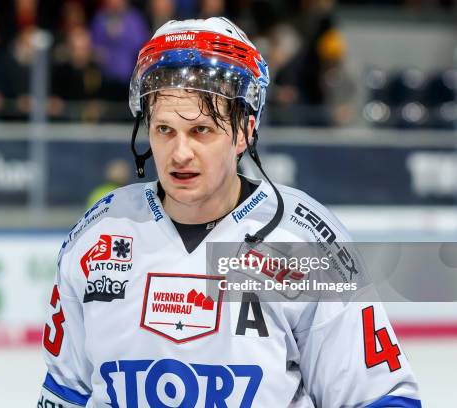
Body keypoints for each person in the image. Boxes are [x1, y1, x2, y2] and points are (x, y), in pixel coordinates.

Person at [38, 17, 421, 407]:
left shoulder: (305, 242)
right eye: (164, 130)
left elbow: (382, 396)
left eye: (201, 130)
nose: (180, 153)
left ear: (244, 131)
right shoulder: (99, 235)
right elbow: (64, 391)